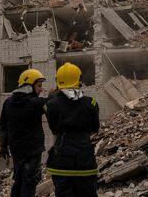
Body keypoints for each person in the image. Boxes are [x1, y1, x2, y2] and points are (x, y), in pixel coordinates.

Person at [44, 63, 100, 197]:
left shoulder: (50, 106)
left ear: (58, 81)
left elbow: (54, 130)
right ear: (79, 79)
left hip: (61, 161)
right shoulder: (91, 103)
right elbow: (94, 129)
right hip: (85, 160)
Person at [0, 69, 48, 197]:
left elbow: (3, 127)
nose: (41, 90)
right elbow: (53, 103)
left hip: (16, 151)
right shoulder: (35, 103)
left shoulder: (8, 103)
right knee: (29, 183)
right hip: (32, 152)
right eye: (39, 86)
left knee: (19, 181)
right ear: (30, 85)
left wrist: (3, 147)